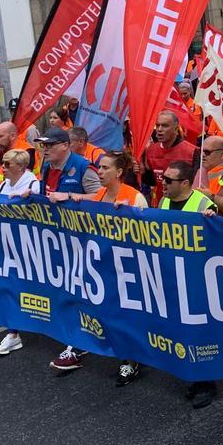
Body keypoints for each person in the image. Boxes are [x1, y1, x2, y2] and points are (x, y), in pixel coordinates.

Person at [46, 151, 147, 377]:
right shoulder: (101, 194)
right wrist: (70, 199)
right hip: (100, 265)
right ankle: (79, 346)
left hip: (125, 267)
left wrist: (129, 215)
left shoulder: (134, 196)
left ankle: (131, 359)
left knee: (125, 314)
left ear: (119, 172)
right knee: (89, 305)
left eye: (105, 168)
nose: (99, 172)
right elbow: (88, 209)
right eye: (99, 167)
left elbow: (146, 232)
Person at [156, 159, 220, 404]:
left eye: (168, 180)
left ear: (184, 183)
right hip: (173, 275)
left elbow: (217, 240)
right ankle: (194, 375)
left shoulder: (204, 204)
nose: (163, 184)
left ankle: (206, 382)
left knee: (200, 331)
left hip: (197, 279)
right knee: (181, 328)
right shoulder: (163, 201)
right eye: (163, 178)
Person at [0, 149, 42, 357]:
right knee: (11, 287)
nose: (3, 168)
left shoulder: (33, 185)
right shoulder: (3, 185)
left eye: (7, 164)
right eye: (2, 163)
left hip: (32, 247)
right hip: (9, 246)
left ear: (20, 166)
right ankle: (13, 333)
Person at [143, 111, 198, 203]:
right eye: (158, 125)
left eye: (165, 126)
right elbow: (150, 182)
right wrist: (143, 171)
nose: (159, 129)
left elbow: (197, 185)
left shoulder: (192, 152)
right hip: (161, 204)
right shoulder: (150, 150)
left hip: (186, 205)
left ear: (176, 129)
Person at [36, 127, 100, 198]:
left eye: (49, 145)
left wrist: (69, 196)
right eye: (43, 145)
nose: (45, 149)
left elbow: (100, 197)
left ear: (65, 146)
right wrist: (33, 194)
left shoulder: (83, 167)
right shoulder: (46, 166)